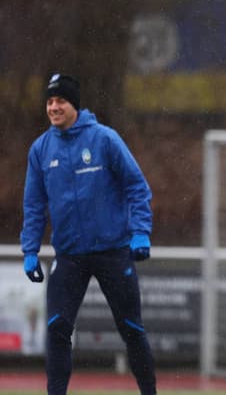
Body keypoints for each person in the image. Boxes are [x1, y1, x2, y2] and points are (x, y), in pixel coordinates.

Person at [20, 73, 157, 395]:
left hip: (112, 251)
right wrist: (29, 250)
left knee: (132, 329)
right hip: (69, 256)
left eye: (60, 101)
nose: (54, 107)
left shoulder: (105, 139)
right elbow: (34, 204)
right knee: (56, 328)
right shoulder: (40, 150)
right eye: (50, 101)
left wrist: (140, 232)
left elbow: (137, 187)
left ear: (74, 105)